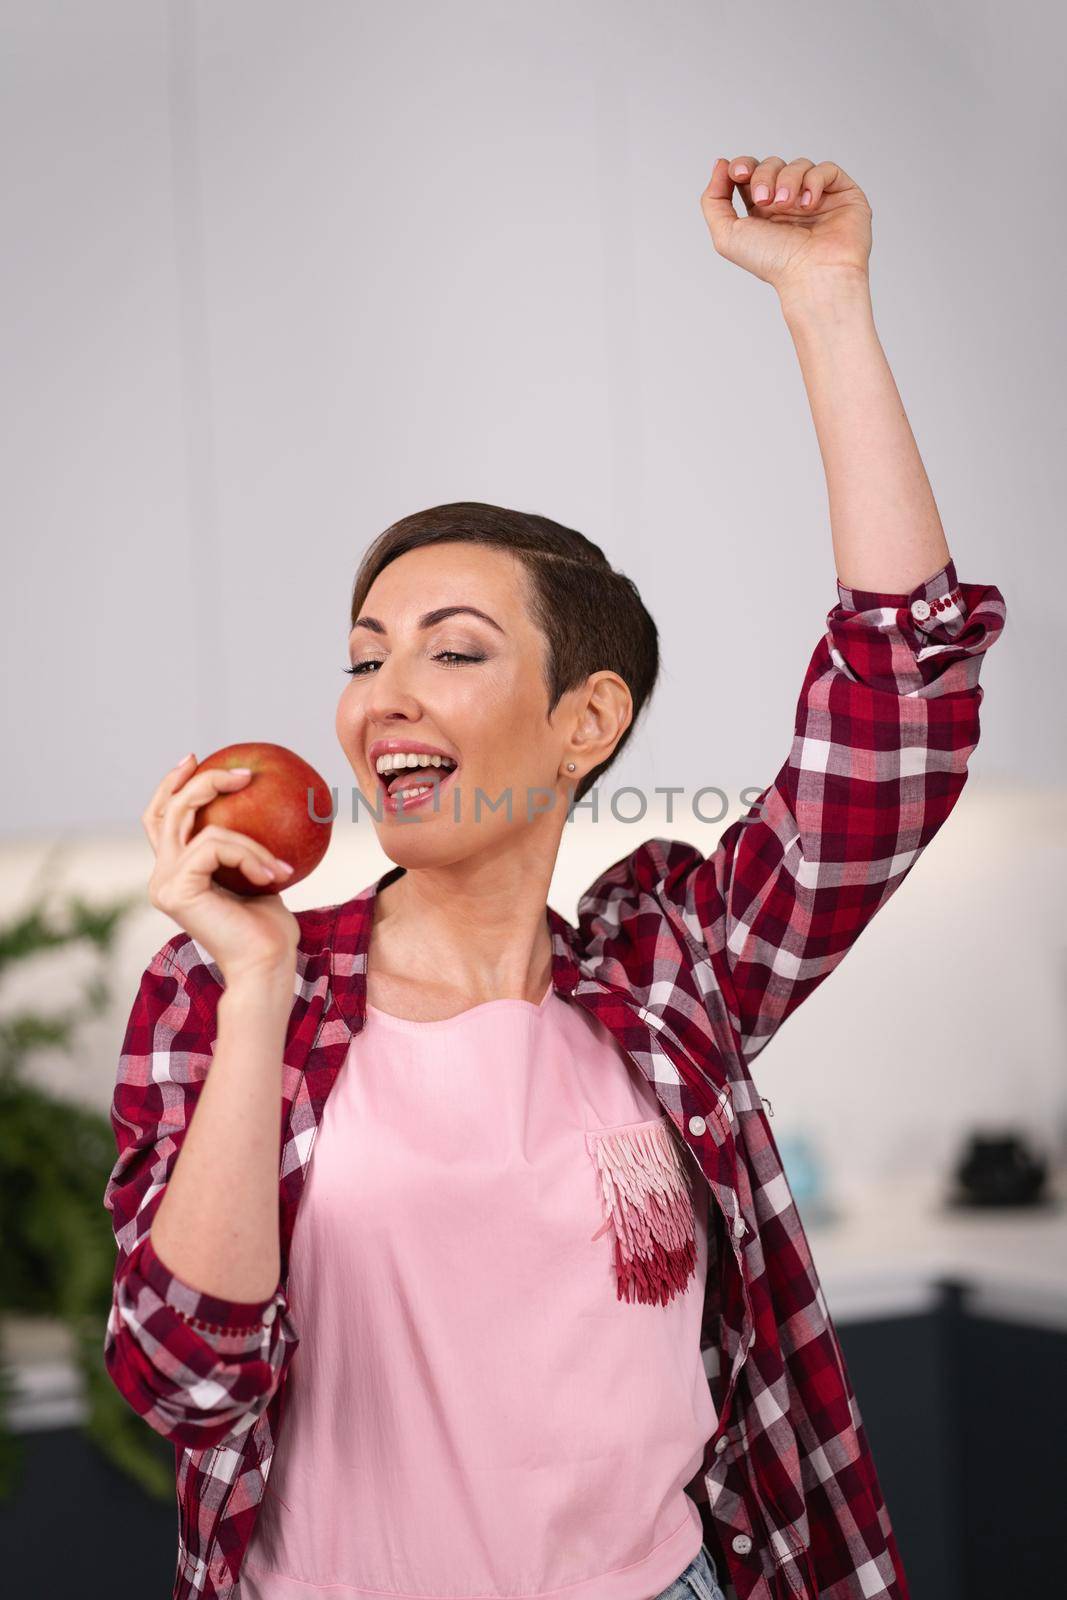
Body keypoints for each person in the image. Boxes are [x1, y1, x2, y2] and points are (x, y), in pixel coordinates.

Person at [103, 154, 1005, 1600]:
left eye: (452, 650)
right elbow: (179, 1384)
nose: (381, 697)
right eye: (363, 656)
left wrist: (828, 303)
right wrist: (262, 978)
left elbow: (901, 714)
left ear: (585, 721)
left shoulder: (671, 977)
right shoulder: (225, 996)